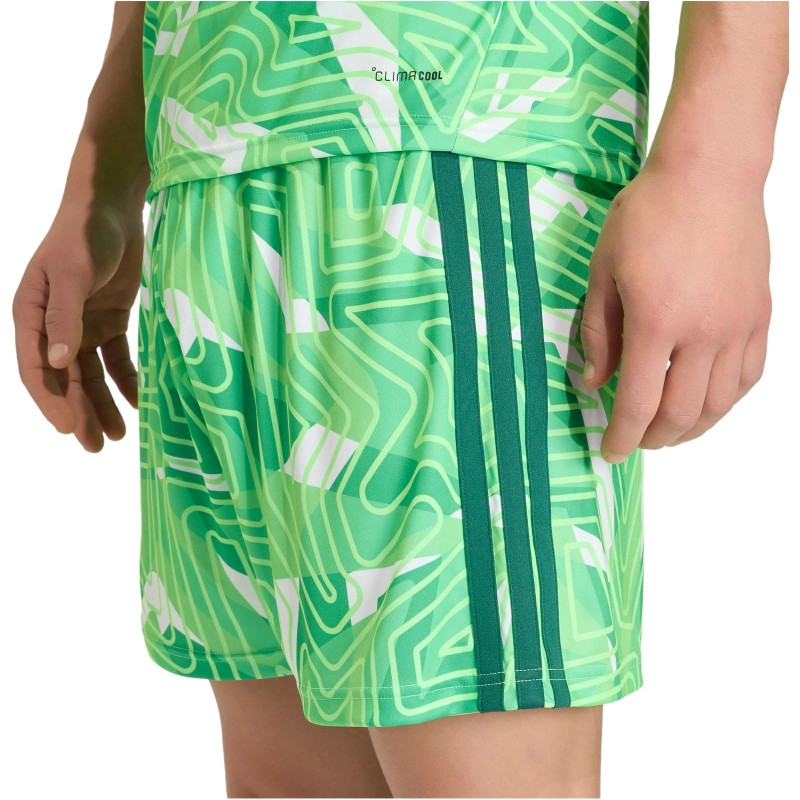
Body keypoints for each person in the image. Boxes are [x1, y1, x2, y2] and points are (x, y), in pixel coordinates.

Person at [11, 1, 787, 797]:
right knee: (288, 779)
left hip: (451, 156)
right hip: (204, 182)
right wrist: (105, 177)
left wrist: (717, 162)